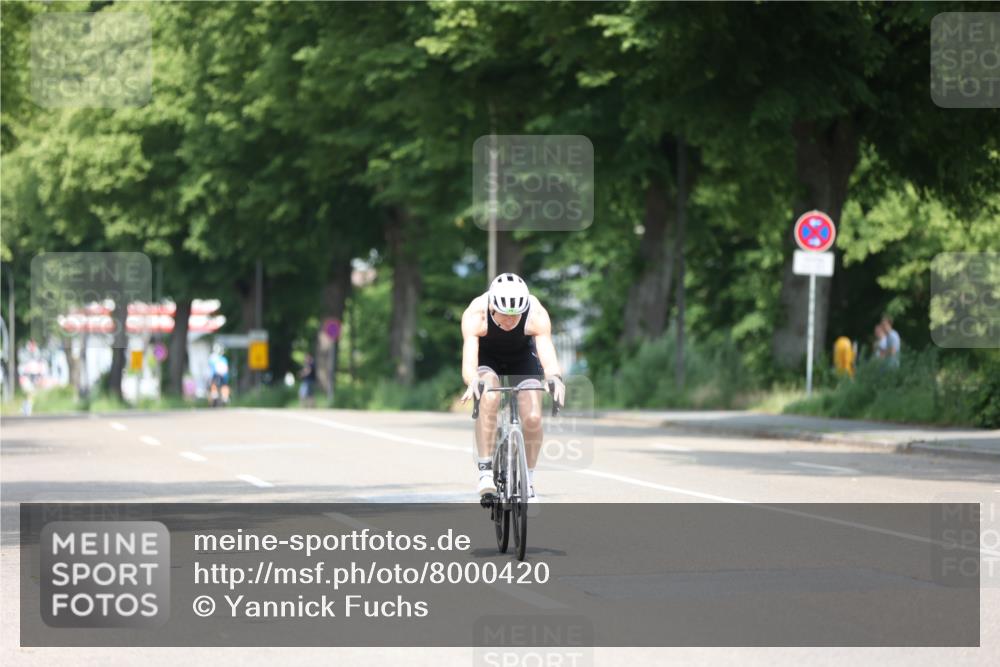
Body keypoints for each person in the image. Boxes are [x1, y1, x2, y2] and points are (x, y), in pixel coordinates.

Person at [460, 273, 566, 502]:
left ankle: (528, 480)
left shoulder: (535, 313)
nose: (509, 321)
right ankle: (486, 472)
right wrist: (472, 381)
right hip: (488, 357)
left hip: (522, 357)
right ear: (491, 307)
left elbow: (546, 351)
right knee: (488, 395)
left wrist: (554, 377)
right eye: (504, 316)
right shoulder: (476, 313)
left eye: (515, 316)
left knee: (534, 417)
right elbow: (469, 361)